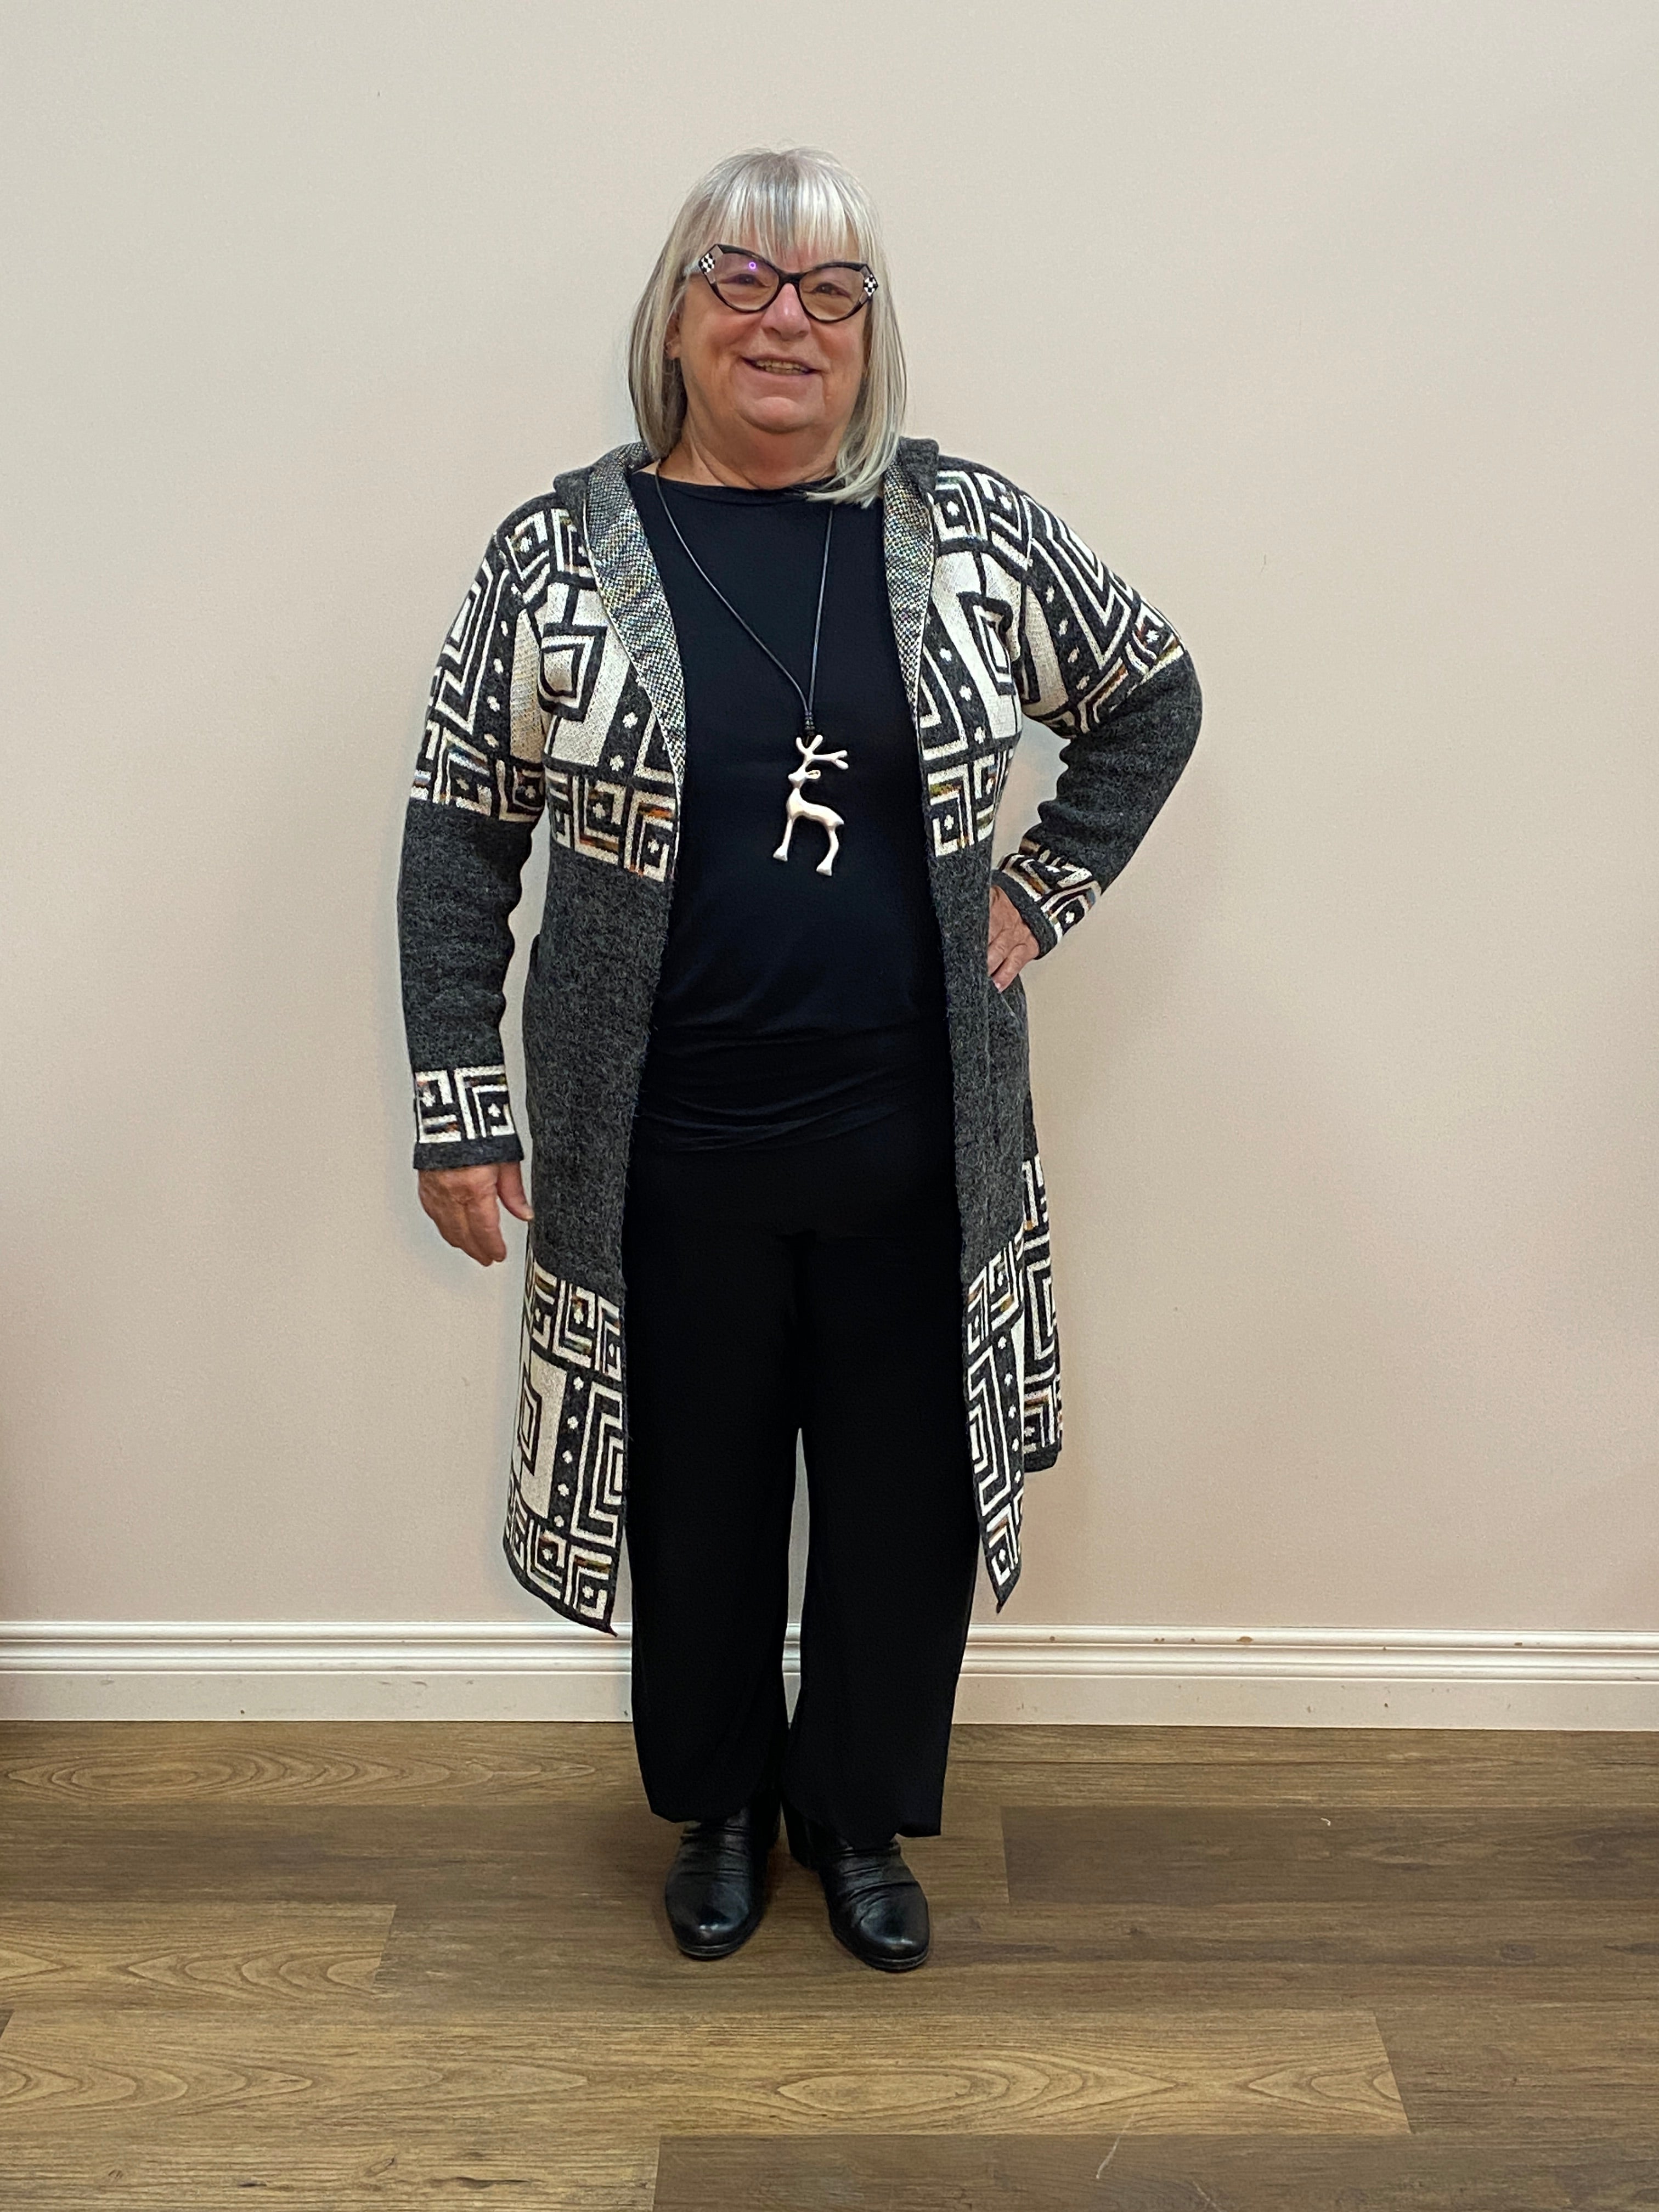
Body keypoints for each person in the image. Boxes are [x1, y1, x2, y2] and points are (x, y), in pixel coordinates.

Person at [396, 146, 1201, 1974]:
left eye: (831, 292)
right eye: (744, 280)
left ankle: (853, 1813)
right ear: (674, 317)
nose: (787, 321)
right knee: (697, 1497)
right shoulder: (557, 555)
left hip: (918, 1144)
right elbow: (461, 832)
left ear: (872, 335)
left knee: (903, 1506)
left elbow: (1151, 693)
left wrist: (1045, 890)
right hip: (666, 1146)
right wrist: (462, 1094)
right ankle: (721, 1809)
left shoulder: (966, 532)